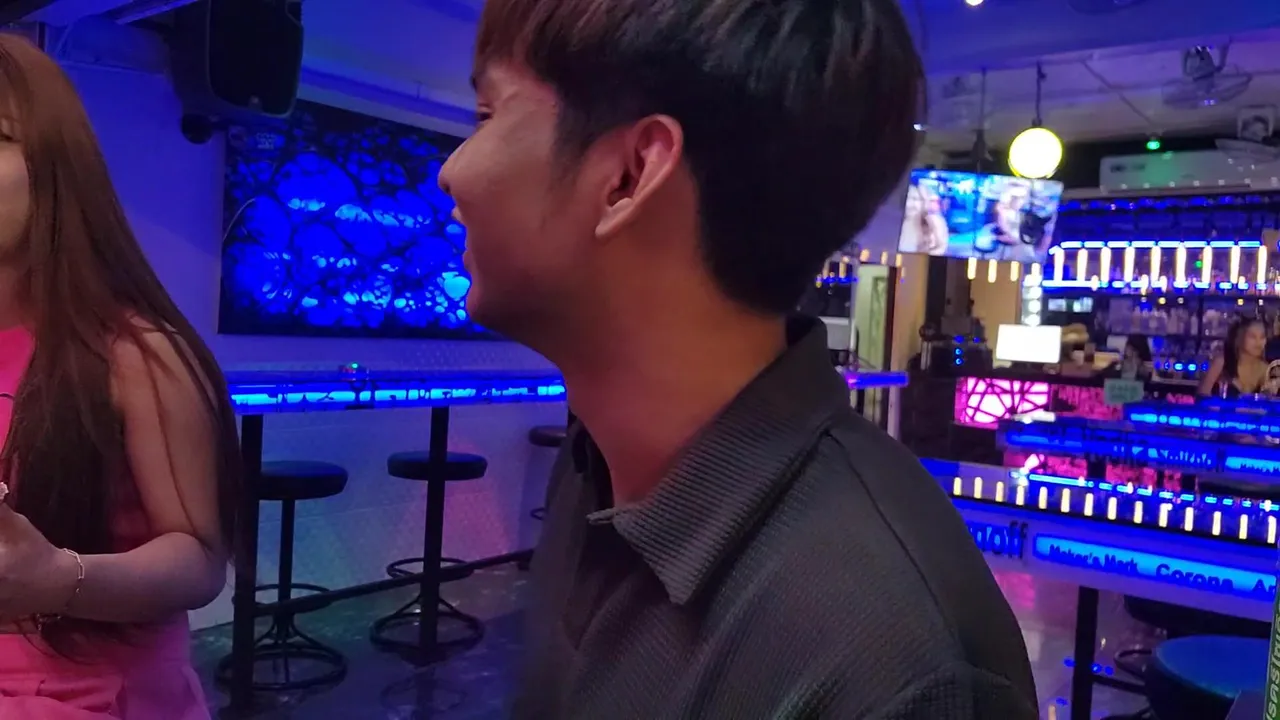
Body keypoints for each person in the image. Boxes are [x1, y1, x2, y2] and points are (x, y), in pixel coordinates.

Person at [439, 0, 1038, 717]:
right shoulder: (599, 464)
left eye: (487, 115)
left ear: (628, 174)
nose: (452, 172)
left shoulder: (894, 669)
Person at [0, 36, 239, 718]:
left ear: (56, 170)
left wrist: (57, 579)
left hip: (86, 697)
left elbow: (199, 561)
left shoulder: (137, 353)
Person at [1199, 317, 1269, 397]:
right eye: (1252, 336)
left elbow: (1268, 400)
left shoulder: (1265, 369)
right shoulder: (1221, 362)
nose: (1258, 342)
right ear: (1238, 338)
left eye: (1262, 337)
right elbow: (1201, 396)